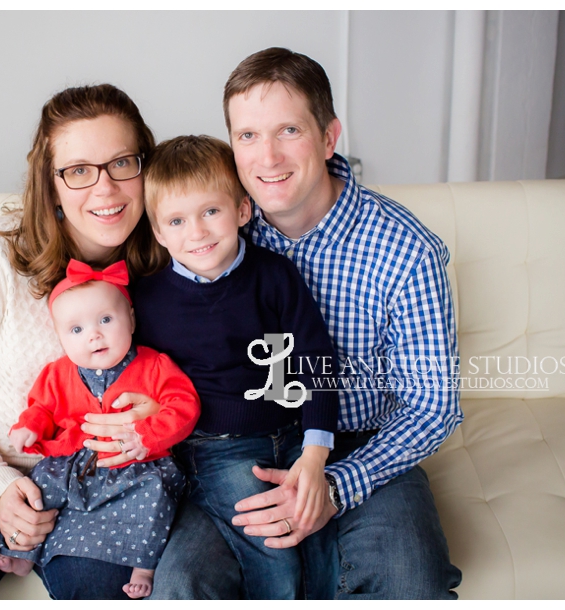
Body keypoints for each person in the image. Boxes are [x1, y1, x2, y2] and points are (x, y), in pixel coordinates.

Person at [152, 48, 463, 599]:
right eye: (247, 135)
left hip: (363, 447)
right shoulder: (215, 226)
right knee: (181, 581)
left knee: (410, 579)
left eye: (288, 130)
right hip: (238, 446)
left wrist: (336, 484)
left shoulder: (406, 251)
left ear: (328, 136)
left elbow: (432, 405)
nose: (266, 156)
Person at [0, 83, 183, 600]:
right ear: (51, 185)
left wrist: (157, 416)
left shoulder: (174, 253)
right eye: (78, 170)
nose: (105, 188)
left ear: (145, 166)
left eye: (122, 163)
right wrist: (0, 486)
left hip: (101, 481)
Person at [132, 135, 339, 599]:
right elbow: (138, 373)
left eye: (211, 212)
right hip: (217, 449)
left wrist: (315, 452)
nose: (197, 232)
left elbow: (316, 361)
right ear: (159, 233)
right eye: (177, 221)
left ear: (243, 211)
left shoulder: (276, 275)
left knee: (318, 532)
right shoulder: (147, 299)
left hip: (291, 433)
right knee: (273, 544)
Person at [0, 260, 200, 599]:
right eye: (76, 330)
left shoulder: (155, 365)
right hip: (76, 463)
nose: (94, 334)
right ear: (60, 338)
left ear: (131, 318)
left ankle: (144, 565)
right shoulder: (58, 374)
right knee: (39, 486)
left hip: (137, 464)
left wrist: (147, 434)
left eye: (106, 320)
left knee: (155, 495)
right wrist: (29, 427)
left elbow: (184, 406)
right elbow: (41, 408)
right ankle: (23, 553)